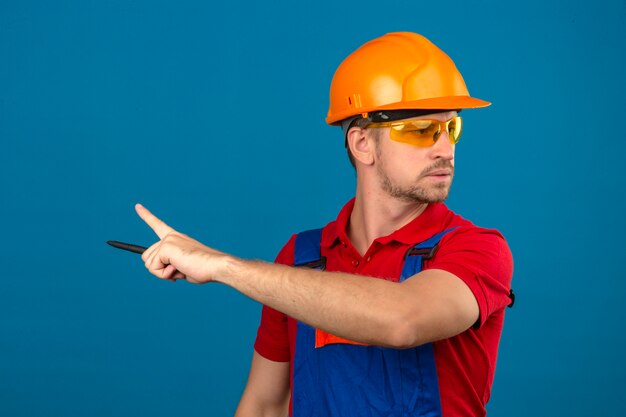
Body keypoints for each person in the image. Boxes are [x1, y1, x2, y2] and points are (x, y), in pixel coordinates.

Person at [135, 32, 514, 417]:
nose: (444, 148)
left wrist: (221, 266)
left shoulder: (476, 249)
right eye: (420, 130)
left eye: (452, 128)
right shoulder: (302, 257)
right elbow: (266, 405)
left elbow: (403, 320)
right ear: (361, 143)